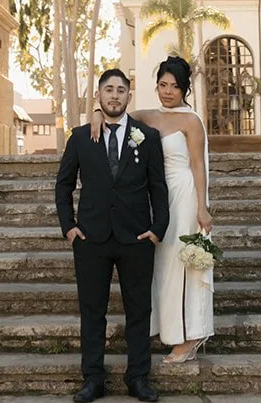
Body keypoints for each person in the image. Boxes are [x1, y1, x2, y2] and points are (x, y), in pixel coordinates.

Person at [56, 69, 169, 403]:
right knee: (93, 311)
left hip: (137, 238)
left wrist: (157, 229)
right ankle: (92, 378)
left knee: (139, 310)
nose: (115, 95)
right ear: (98, 97)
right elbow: (63, 185)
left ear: (129, 97)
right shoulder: (79, 137)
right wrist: (69, 227)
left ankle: (138, 378)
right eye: (109, 90)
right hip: (91, 238)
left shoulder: (146, 136)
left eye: (121, 90)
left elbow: (158, 188)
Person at [91, 56, 213, 364]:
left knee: (179, 264)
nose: (168, 91)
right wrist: (95, 113)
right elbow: (116, 112)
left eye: (174, 86)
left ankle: (189, 336)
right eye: (162, 85)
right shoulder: (148, 115)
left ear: (184, 89)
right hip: (154, 198)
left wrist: (202, 207)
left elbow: (199, 167)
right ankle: (167, 329)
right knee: (160, 265)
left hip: (184, 194)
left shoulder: (190, 121)